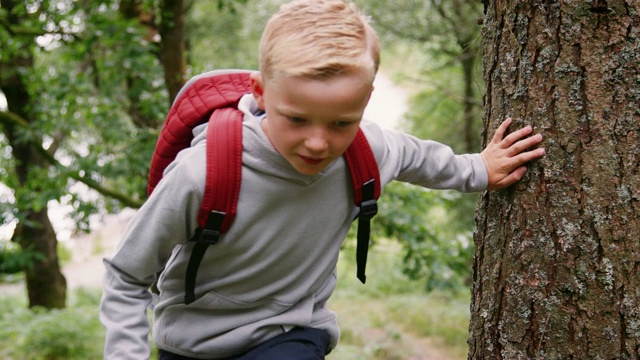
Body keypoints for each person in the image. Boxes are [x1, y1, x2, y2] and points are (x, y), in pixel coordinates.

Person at [99, 0, 545, 359]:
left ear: (366, 100)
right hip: (191, 346)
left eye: (339, 124)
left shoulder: (369, 148)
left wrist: (479, 169)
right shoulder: (203, 172)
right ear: (259, 92)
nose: (317, 143)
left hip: (290, 334)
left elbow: (421, 157)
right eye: (296, 119)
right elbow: (127, 274)